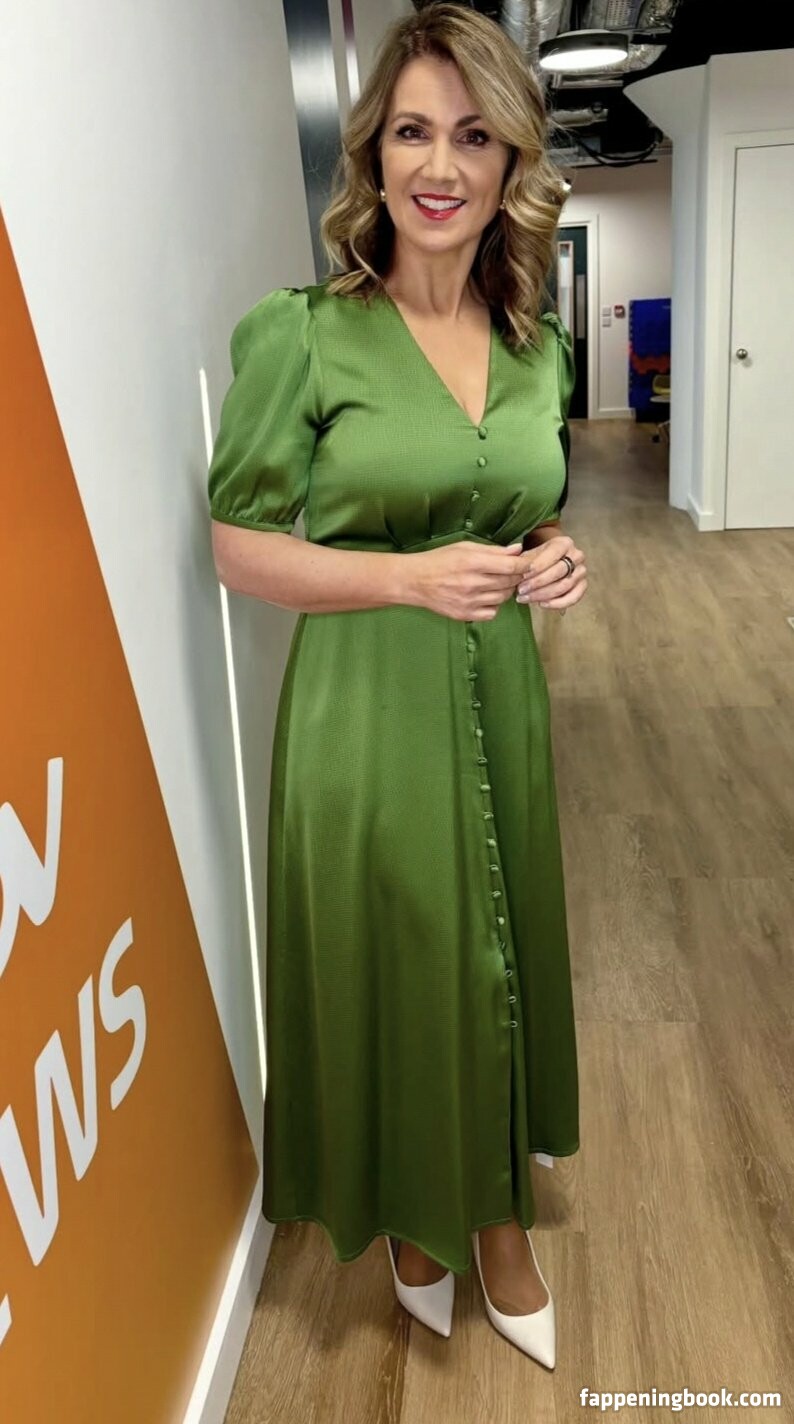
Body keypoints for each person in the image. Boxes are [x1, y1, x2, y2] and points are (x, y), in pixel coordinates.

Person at [207, 1, 588, 1370]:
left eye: (474, 136)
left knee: (498, 953)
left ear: (510, 162)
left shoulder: (535, 341)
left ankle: (490, 1222)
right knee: (415, 960)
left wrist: (553, 552)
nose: (440, 166)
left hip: (500, 694)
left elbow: (523, 503)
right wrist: (408, 580)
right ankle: (432, 1225)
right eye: (413, 131)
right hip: (363, 707)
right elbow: (238, 546)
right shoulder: (304, 334)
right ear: (372, 153)